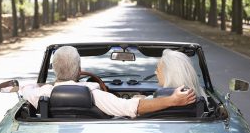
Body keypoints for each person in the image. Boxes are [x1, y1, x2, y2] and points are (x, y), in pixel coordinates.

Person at [21, 46, 196, 118]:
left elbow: (24, 88)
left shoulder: (39, 94)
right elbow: (130, 108)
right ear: (79, 69)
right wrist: (172, 100)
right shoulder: (96, 96)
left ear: (54, 68)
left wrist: (44, 85)